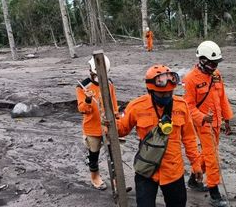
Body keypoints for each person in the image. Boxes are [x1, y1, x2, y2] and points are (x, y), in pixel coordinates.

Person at [116, 64, 202, 207]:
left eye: (170, 93)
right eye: (162, 94)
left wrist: (196, 164)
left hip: (173, 171)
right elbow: (121, 130)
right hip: (146, 170)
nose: (167, 96)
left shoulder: (181, 106)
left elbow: (189, 138)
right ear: (150, 90)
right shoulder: (137, 106)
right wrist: (109, 124)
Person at [183, 40, 233, 207]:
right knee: (212, 158)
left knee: (207, 153)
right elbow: (188, 105)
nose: (214, 66)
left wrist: (227, 120)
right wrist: (202, 117)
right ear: (202, 60)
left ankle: (193, 179)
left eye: (216, 62)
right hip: (203, 124)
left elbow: (223, 98)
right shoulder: (191, 79)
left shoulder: (217, 75)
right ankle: (214, 193)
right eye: (212, 63)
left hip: (217, 123)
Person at [76, 55, 119, 190]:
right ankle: (95, 177)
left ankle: (116, 181)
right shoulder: (83, 86)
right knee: (94, 154)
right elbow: (82, 109)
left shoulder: (109, 84)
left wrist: (116, 118)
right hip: (92, 127)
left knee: (114, 155)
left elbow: (113, 104)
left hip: (108, 126)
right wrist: (88, 100)